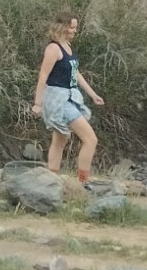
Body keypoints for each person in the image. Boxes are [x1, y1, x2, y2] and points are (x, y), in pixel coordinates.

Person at [30, 11, 105, 187]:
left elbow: (75, 73)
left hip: (70, 96)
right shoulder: (53, 48)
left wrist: (93, 94)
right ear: (63, 27)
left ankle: (51, 180)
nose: (74, 30)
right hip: (58, 100)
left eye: (75, 27)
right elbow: (43, 76)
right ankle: (83, 182)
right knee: (90, 139)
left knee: (59, 140)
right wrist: (37, 103)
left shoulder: (67, 46)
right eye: (72, 27)